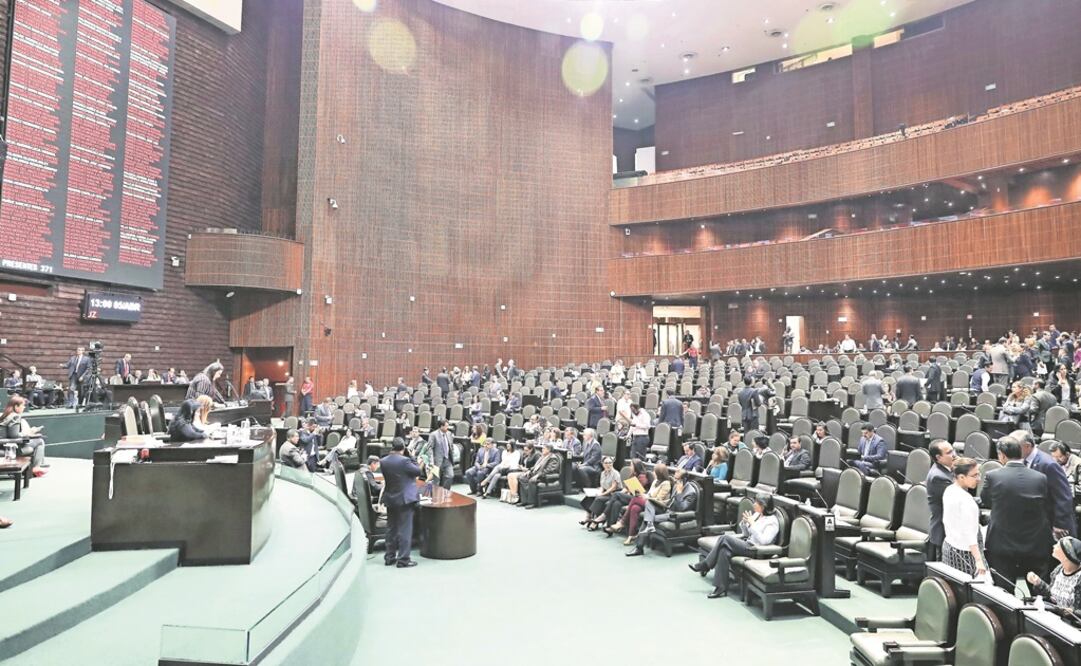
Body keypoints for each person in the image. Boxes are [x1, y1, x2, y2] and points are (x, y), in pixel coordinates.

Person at [982, 436, 1051, 590]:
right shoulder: (1040, 478)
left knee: (1004, 594)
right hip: (1034, 542)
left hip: (1002, 542)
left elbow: (986, 501)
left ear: (1002, 455)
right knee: (1039, 592)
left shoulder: (992, 476)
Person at [689, 494, 780, 598]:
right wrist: (745, 524)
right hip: (747, 543)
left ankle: (705, 565)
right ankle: (721, 588)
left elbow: (764, 541)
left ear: (764, 506)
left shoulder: (772, 521)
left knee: (725, 538)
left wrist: (752, 524)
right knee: (724, 550)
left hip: (756, 550)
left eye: (756, 503)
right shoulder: (757, 515)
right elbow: (746, 534)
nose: (754, 505)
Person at [1017, 429, 1076, 538]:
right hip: (1037, 523)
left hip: (1054, 525)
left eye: (1016, 447)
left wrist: (1060, 524)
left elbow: (1063, 496)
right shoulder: (1022, 461)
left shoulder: (1048, 464)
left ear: (1027, 446)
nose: (1012, 450)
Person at [626, 467, 698, 556]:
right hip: (666, 509)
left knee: (647, 520)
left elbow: (682, 508)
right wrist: (659, 503)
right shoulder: (677, 485)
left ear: (683, 479)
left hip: (674, 515)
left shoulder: (691, 492)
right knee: (649, 502)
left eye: (677, 474)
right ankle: (646, 532)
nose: (675, 473)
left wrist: (679, 494)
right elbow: (670, 501)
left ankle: (639, 548)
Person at [380, 440, 423, 568]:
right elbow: (417, 472)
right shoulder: (405, 461)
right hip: (405, 500)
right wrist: (412, 457)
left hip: (390, 498)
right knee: (405, 529)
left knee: (391, 528)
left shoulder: (383, 461)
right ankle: (403, 560)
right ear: (403, 448)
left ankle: (389, 557)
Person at [941, 457, 987, 577]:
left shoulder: (948, 490)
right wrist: (978, 560)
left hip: (949, 548)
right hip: (966, 553)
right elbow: (969, 533)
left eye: (979, 474)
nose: (979, 479)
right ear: (961, 477)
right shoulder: (966, 500)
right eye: (975, 475)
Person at [610, 463, 672, 545]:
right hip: (649, 502)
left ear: (659, 473)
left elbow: (658, 499)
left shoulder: (666, 483)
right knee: (634, 508)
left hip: (657, 506)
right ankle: (631, 535)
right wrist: (644, 495)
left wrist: (645, 497)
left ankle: (622, 522)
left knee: (635, 498)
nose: (653, 473)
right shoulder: (656, 481)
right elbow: (650, 493)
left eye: (654, 471)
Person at [1026, 537, 1081, 611]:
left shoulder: (1079, 578)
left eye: (1058, 546)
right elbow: (1053, 596)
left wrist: (1073, 612)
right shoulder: (1058, 570)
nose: (1054, 546)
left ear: (1067, 555)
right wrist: (1038, 582)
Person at [0, 395, 47, 476]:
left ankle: (37, 466)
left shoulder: (6, 415)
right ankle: (35, 468)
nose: (24, 407)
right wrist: (28, 433)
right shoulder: (14, 416)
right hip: (12, 448)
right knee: (39, 441)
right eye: (23, 405)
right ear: (16, 406)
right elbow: (14, 436)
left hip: (3, 446)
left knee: (38, 440)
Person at [925, 440, 956, 562]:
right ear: (938, 457)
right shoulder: (939, 477)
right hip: (943, 531)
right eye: (949, 452)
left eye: (953, 450)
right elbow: (959, 499)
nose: (954, 454)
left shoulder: (946, 470)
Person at [507, 441, 559, 507]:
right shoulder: (542, 456)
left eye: (544, 448)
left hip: (543, 477)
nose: (542, 449)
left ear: (548, 450)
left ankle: (531, 503)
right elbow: (535, 466)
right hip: (534, 473)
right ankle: (524, 501)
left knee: (532, 480)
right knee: (521, 477)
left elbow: (549, 470)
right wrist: (529, 471)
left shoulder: (553, 458)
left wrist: (537, 475)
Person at [582, 457, 621, 530]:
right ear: (603, 464)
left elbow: (613, 488)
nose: (608, 465)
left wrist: (602, 494)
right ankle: (588, 516)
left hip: (613, 495)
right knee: (589, 497)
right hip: (605, 492)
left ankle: (594, 522)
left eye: (610, 463)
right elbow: (602, 486)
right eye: (606, 463)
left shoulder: (615, 473)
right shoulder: (602, 473)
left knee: (598, 499)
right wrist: (599, 492)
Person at [428, 419, 455, 490]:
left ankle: (445, 492)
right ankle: (434, 496)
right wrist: (431, 462)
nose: (447, 428)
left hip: (447, 459)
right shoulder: (433, 435)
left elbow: (451, 446)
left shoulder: (449, 433)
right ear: (441, 426)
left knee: (450, 476)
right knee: (436, 480)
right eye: (446, 426)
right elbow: (429, 448)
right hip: (437, 461)